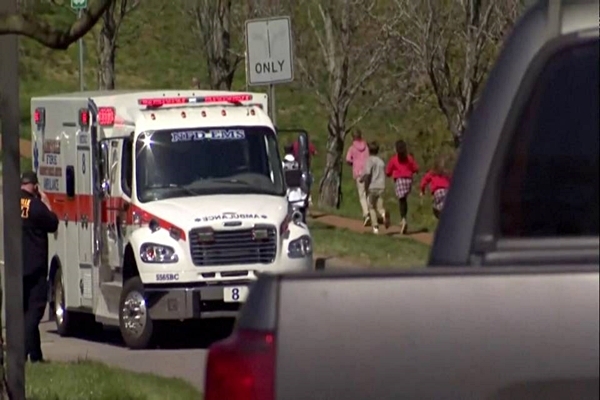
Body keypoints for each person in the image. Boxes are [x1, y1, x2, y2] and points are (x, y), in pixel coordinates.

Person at [20, 171, 59, 363]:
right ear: (35, 187)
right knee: (35, 311)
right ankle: (21, 352)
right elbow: (53, 223)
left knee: (25, 310)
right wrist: (47, 204)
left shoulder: (12, 203)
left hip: (17, 268)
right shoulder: (35, 206)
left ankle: (35, 356)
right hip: (36, 267)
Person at [385, 140, 419, 234]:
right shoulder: (409, 158)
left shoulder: (394, 159)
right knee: (404, 200)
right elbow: (416, 168)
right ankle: (404, 218)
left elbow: (388, 172)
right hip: (408, 180)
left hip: (399, 180)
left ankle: (403, 219)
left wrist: (390, 173)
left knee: (401, 200)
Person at [360, 141, 390, 234]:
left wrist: (362, 179)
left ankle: (375, 227)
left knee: (371, 207)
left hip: (372, 186)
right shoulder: (381, 162)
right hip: (381, 186)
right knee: (380, 206)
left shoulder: (369, 160)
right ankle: (383, 214)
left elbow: (367, 173)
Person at [345, 129, 371, 226]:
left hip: (358, 172)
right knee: (367, 193)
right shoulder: (366, 147)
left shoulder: (352, 148)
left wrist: (353, 163)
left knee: (362, 195)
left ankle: (366, 213)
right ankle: (370, 212)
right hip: (367, 172)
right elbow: (368, 158)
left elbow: (348, 159)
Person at [420, 154, 452, 220]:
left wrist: (422, 190)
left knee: (436, 208)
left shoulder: (431, 173)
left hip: (437, 192)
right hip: (446, 191)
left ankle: (441, 219)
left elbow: (424, 182)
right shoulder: (446, 173)